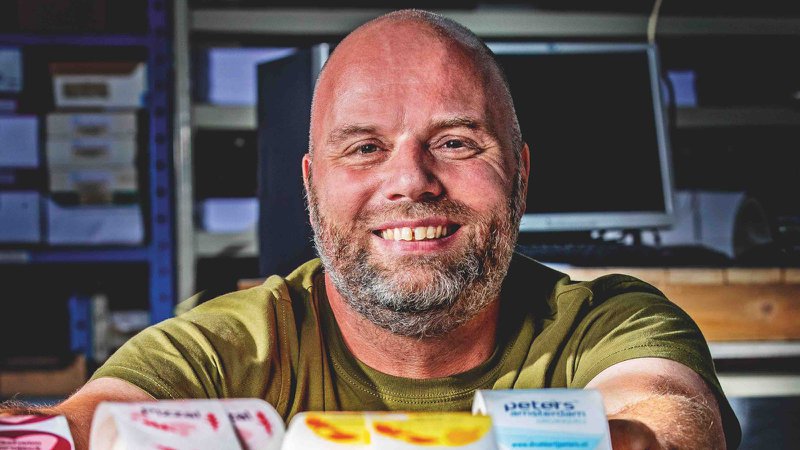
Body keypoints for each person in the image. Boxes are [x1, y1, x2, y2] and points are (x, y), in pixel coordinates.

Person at [1, 9, 739, 450]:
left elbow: (664, 418)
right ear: (310, 186)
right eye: (363, 148)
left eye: (456, 142)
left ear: (519, 173)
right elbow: (79, 429)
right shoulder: (229, 348)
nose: (411, 181)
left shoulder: (608, 323)